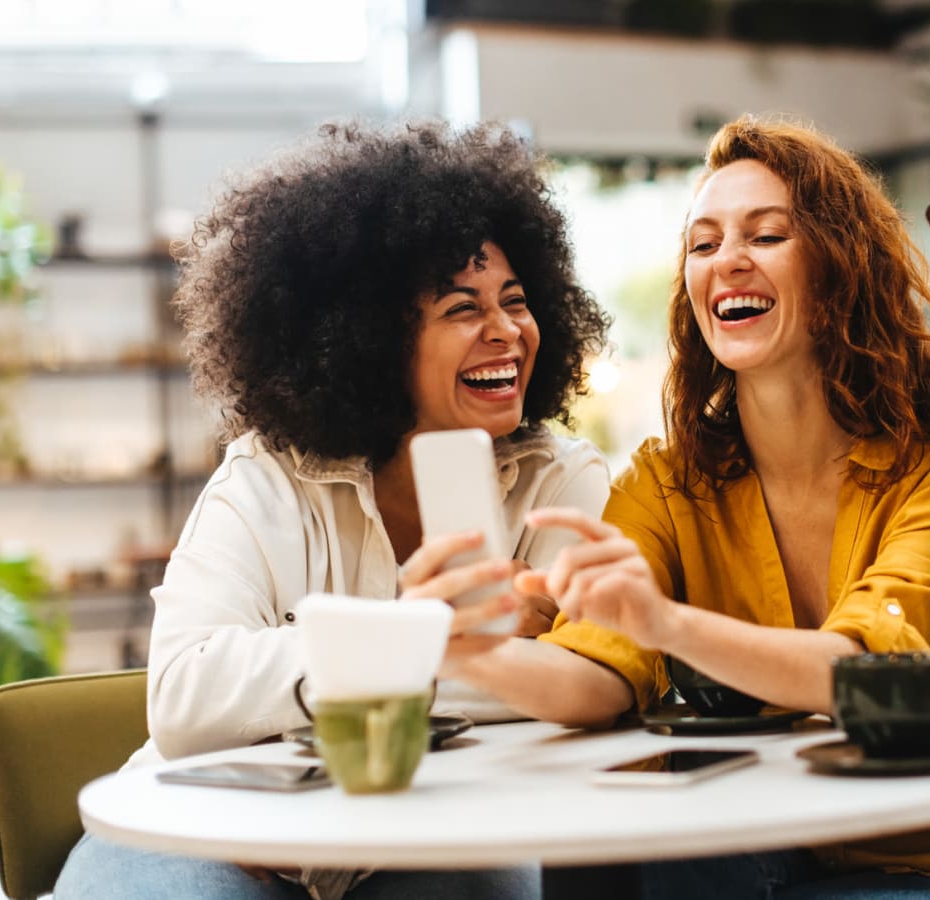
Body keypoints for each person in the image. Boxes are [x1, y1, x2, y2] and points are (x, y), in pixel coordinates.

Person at [448, 116, 930, 899]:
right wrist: (464, 649)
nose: (727, 262)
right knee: (630, 859)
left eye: (767, 236)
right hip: (765, 849)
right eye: (703, 245)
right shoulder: (666, 482)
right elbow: (594, 677)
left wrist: (665, 623)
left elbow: (869, 674)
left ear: (840, 269)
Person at [52, 120, 613, 900]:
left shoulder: (560, 483)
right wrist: (424, 639)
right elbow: (184, 699)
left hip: (433, 836)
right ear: (374, 340)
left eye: (515, 301)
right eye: (462, 308)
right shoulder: (267, 480)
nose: (507, 332)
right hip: (221, 829)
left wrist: (308, 673)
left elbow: (595, 682)